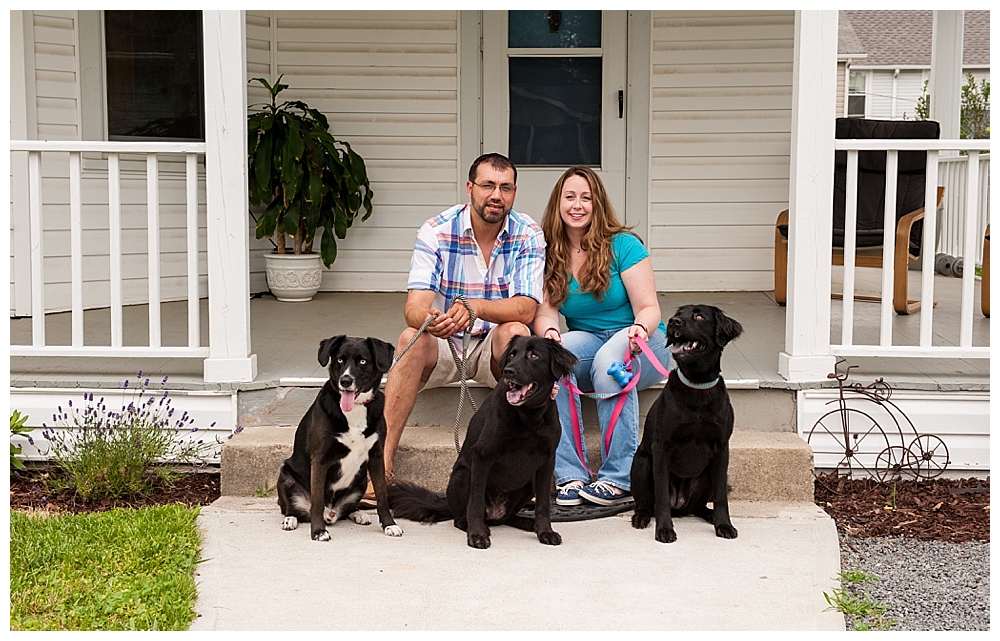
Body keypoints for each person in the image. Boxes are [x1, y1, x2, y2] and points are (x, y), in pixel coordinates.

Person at [381, 153, 546, 482]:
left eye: (505, 188)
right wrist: (430, 319)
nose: (496, 195)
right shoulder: (436, 230)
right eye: (487, 186)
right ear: (470, 187)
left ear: (514, 192)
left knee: (515, 330)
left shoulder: (528, 233)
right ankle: (380, 466)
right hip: (445, 343)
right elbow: (413, 307)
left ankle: (517, 466)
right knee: (408, 337)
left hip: (494, 350)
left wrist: (477, 307)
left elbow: (526, 307)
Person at [531, 166, 672, 507]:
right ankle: (570, 475)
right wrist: (551, 333)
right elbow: (547, 312)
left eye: (586, 197)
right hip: (589, 338)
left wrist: (639, 330)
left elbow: (649, 308)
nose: (577, 205)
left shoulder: (623, 245)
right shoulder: (549, 251)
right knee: (555, 364)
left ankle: (618, 477)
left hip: (642, 339)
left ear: (598, 204)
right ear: (558, 203)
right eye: (570, 197)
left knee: (609, 363)